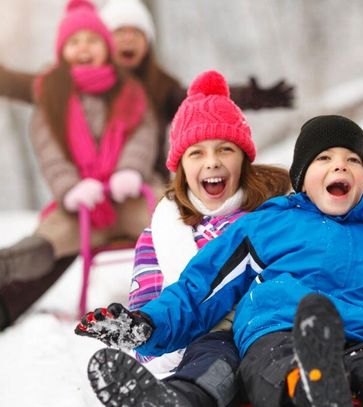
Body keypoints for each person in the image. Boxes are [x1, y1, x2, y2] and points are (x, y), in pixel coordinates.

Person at [76, 114, 363, 407]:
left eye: (352, 161)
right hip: (281, 334)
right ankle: (308, 391)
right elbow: (201, 289)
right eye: (324, 158)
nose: (339, 167)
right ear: (302, 178)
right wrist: (144, 325)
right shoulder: (269, 225)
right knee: (278, 369)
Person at [0, 0, 295, 336]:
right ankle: (0, 301)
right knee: (60, 237)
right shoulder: (63, 87)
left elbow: (201, 101)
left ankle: (198, 296)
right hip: (89, 195)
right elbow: (27, 88)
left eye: (136, 33)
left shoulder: (154, 87)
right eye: (120, 33)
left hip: (138, 188)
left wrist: (249, 95)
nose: (128, 40)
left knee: (170, 225)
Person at [80, 69, 290, 407]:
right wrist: (137, 327)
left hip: (269, 331)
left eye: (225, 149)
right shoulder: (161, 234)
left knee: (270, 361)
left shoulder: (271, 218)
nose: (212, 162)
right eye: (197, 153)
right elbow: (149, 299)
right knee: (213, 362)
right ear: (180, 166)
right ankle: (174, 400)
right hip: (201, 341)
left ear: (243, 159)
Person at [0, 0, 159, 333]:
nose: (83, 48)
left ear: (105, 47)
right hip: (83, 204)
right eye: (74, 42)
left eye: (92, 41)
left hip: (130, 193)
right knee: (51, 236)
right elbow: (49, 149)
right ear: (62, 50)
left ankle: (199, 282)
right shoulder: (52, 94)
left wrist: (131, 169)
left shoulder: (129, 90)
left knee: (168, 218)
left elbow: (142, 132)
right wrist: (70, 187)